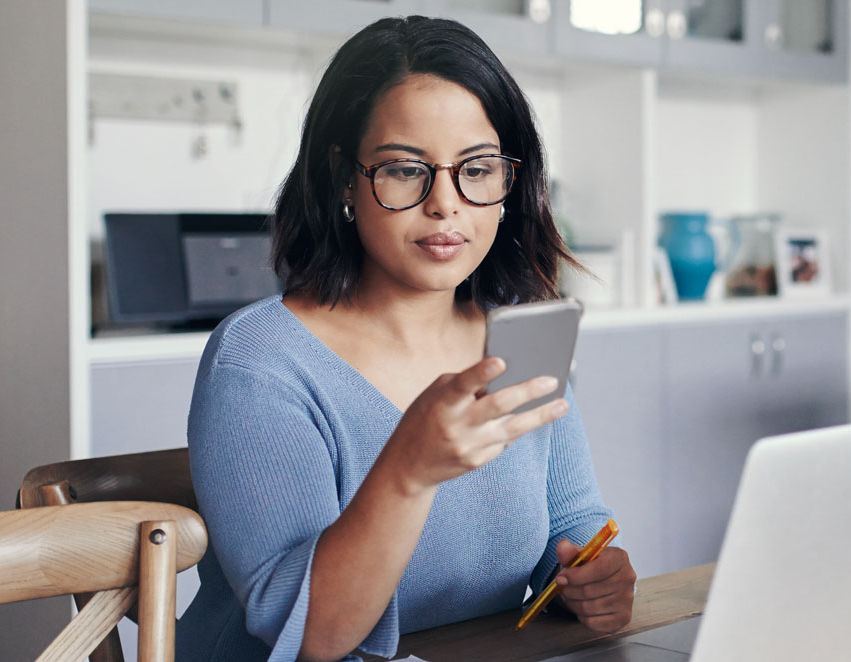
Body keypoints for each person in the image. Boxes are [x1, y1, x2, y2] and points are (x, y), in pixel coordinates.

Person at [176, 16, 634, 662]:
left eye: (476, 169)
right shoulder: (259, 364)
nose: (446, 203)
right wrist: (409, 469)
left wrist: (593, 583)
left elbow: (571, 526)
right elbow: (311, 637)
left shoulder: (518, 332)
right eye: (403, 170)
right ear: (343, 177)